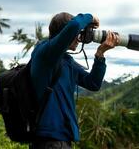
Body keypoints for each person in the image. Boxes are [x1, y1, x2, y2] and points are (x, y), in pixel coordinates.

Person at [30, 12, 119, 149]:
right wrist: (91, 17)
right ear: (65, 33)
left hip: (62, 139)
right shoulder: (44, 53)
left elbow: (93, 83)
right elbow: (76, 24)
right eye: (77, 34)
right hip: (48, 138)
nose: (79, 38)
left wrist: (100, 55)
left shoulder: (66, 61)